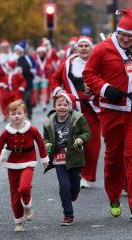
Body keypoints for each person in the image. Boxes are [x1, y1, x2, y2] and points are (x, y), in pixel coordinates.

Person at [83, 8, 132, 221]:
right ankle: (114, 196)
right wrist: (106, 88)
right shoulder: (102, 49)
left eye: (130, 35)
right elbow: (88, 74)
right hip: (112, 111)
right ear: (116, 33)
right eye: (122, 34)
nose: (125, 39)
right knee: (114, 158)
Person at [0, 100, 49, 232]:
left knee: (23, 187)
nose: (16, 116)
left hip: (28, 161)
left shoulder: (32, 129)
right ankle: (19, 222)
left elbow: (40, 143)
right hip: (12, 164)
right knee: (15, 194)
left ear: (25, 114)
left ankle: (27, 206)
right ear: (8, 116)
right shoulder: (6, 132)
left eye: (19, 113)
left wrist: (44, 158)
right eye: (13, 113)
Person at [51, 36, 101, 188]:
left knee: (92, 145)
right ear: (77, 48)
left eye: (87, 45)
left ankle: (87, 175)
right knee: (72, 143)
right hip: (71, 109)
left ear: (92, 48)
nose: (84, 48)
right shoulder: (67, 63)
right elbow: (54, 79)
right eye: (81, 46)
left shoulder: (99, 63)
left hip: (93, 109)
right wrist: (60, 92)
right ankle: (76, 174)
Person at [43, 93, 90, 226]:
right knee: (64, 186)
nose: (62, 107)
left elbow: (87, 133)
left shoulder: (78, 118)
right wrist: (46, 144)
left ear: (70, 106)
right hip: (59, 159)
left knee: (74, 186)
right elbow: (45, 137)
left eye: (65, 105)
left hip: (75, 157)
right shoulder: (49, 121)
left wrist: (81, 139)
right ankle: (68, 215)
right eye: (59, 104)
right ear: (54, 106)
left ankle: (74, 193)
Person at [15, 41, 37, 120]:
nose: (16, 51)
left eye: (17, 49)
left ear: (21, 50)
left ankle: (29, 113)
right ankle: (22, 113)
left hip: (28, 80)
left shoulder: (29, 58)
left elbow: (34, 65)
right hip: (19, 82)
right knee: (21, 99)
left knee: (27, 98)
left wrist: (33, 70)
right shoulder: (16, 59)